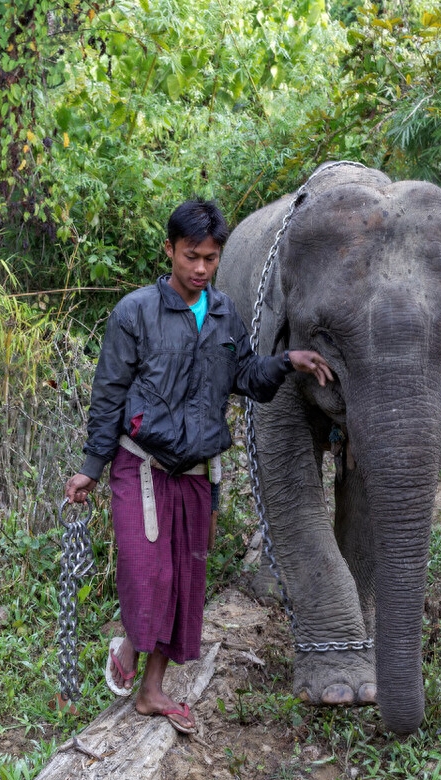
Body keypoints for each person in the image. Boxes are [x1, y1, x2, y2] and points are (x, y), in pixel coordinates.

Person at [63, 198, 332, 734]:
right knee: (149, 572)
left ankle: (151, 690)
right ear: (169, 250)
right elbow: (108, 394)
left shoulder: (226, 314)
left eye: (211, 257)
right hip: (139, 466)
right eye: (191, 256)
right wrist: (91, 467)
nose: (202, 269)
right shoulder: (134, 313)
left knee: (185, 581)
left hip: (197, 474)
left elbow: (248, 378)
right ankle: (133, 637)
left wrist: (285, 362)